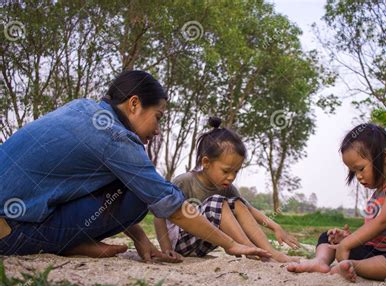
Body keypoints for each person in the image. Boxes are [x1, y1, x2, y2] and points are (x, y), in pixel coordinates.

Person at [0, 70, 271, 262]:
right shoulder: (115, 137)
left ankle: (74, 242)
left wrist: (141, 240)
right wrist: (231, 244)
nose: (157, 130)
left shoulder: (83, 109)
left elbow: (125, 184)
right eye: (158, 117)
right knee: (142, 196)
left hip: (15, 218)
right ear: (134, 105)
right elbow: (170, 205)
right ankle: (69, 245)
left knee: (133, 185)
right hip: (12, 234)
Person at [287, 123, 386, 281]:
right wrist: (346, 238)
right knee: (328, 236)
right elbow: (373, 233)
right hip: (374, 252)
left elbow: (382, 222)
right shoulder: (377, 194)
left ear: (385, 157)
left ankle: (354, 266)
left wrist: (347, 244)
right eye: (353, 171)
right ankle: (321, 261)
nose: (358, 176)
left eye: (360, 168)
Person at [154, 117, 301, 263]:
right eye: (226, 171)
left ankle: (270, 252)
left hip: (203, 244)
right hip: (179, 243)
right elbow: (160, 214)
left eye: (236, 172)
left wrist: (275, 226)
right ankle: (249, 248)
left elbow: (248, 210)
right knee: (216, 201)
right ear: (206, 162)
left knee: (238, 203)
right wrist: (166, 248)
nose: (231, 177)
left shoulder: (227, 188)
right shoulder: (185, 181)